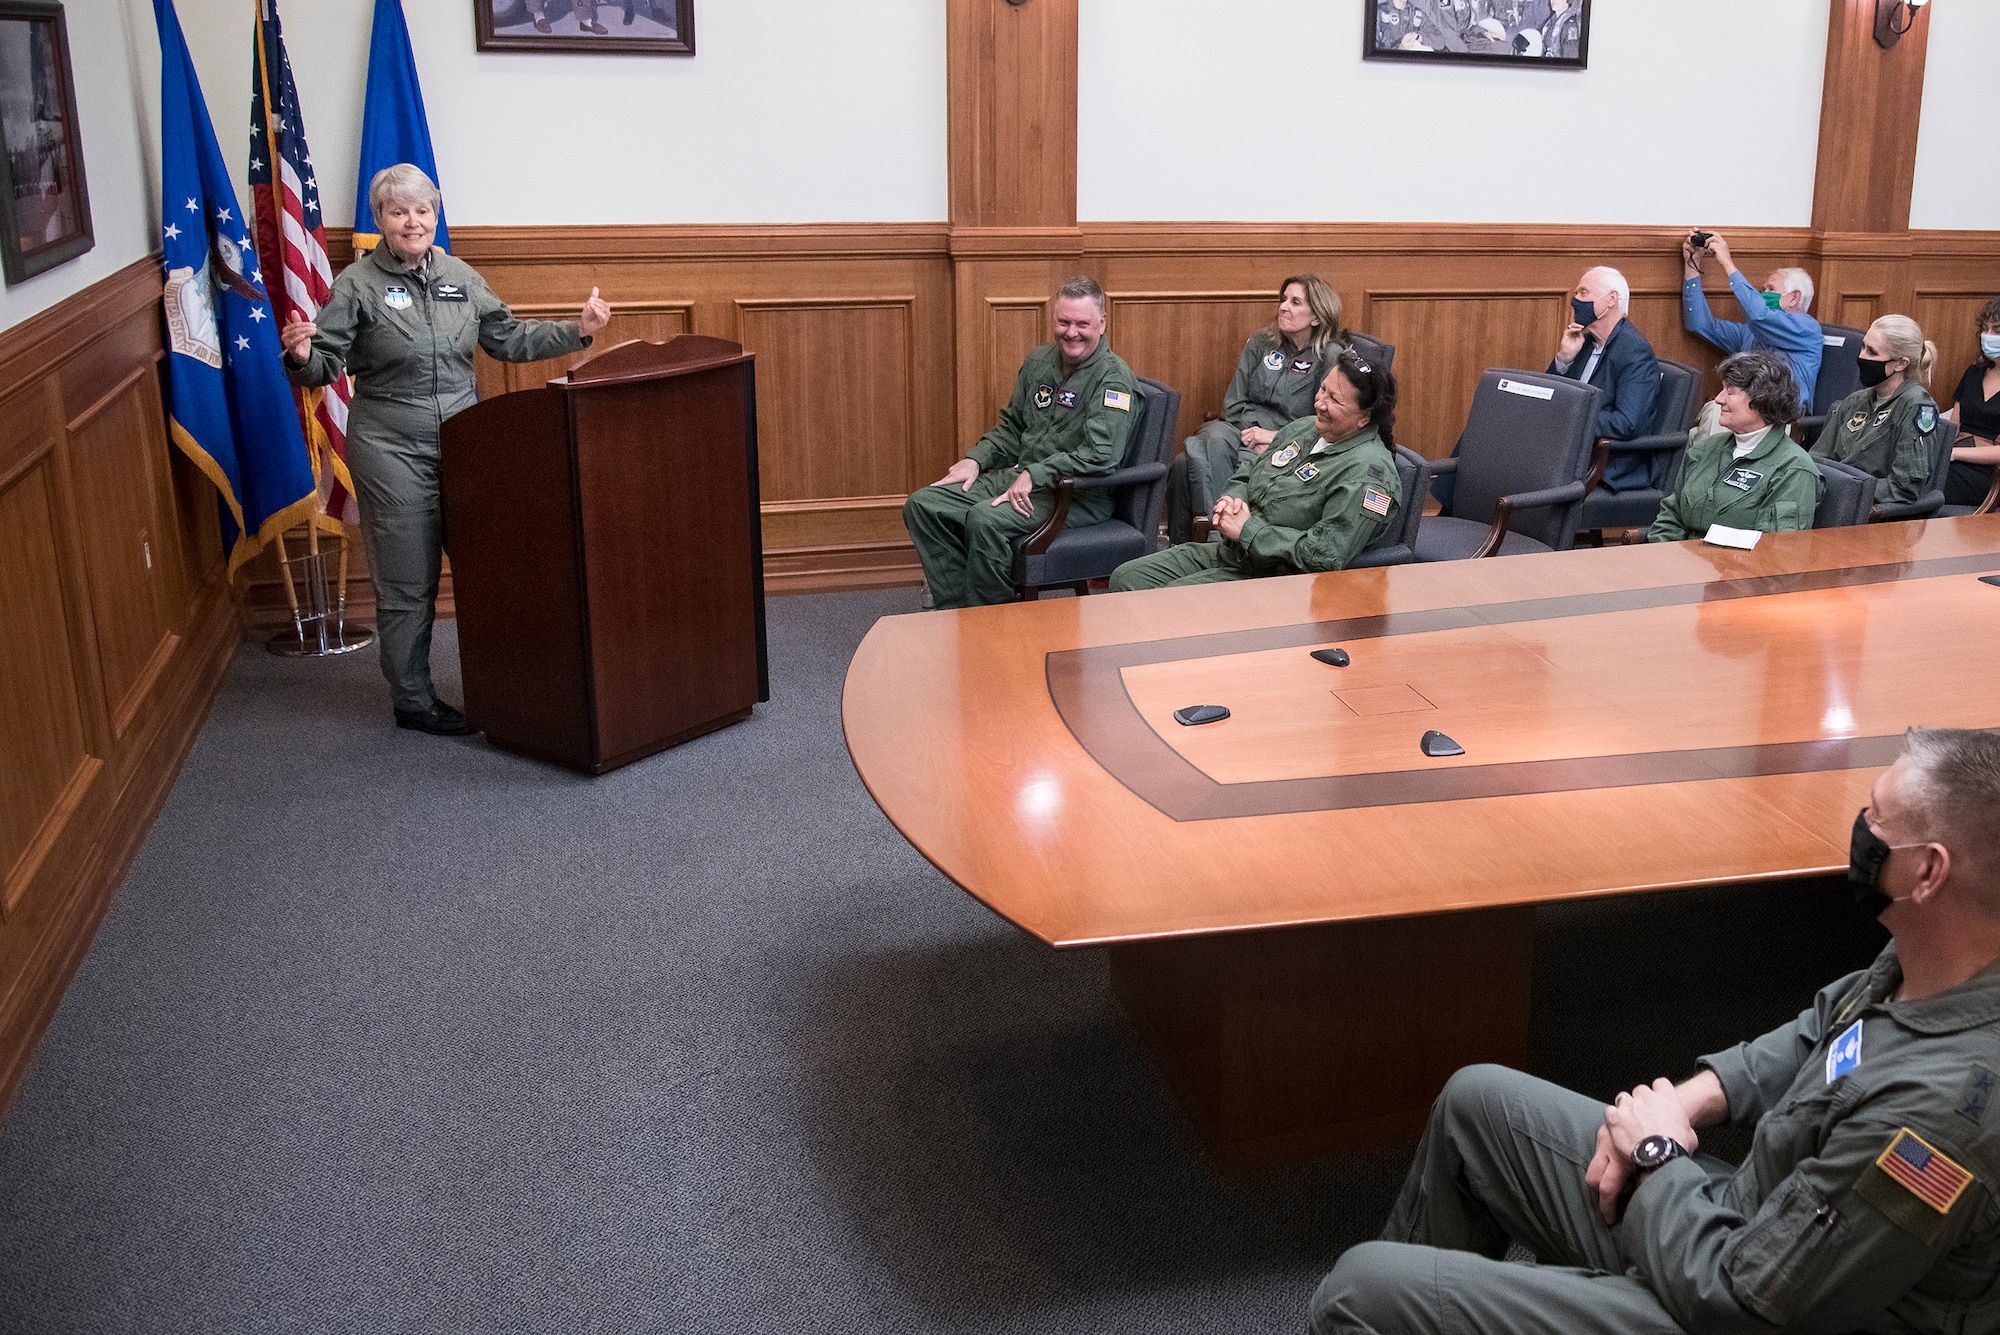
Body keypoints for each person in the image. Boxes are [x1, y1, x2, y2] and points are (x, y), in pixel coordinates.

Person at [1311, 725, 2000, 1335]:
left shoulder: (1940, 1118)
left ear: (1929, 870)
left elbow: (1744, 1300)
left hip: (1747, 1301)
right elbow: (1822, 1030)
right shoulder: (1940, 958)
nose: (1861, 826)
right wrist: (1692, 1097)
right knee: (1476, 1104)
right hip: (1746, 1226)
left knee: (1359, 1289)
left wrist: (1658, 1158)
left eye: (1877, 819)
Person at [282, 164, 610, 735]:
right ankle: (412, 699)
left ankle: (509, 685)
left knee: (491, 565)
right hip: (390, 446)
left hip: (466, 440)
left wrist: (576, 330)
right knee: (409, 579)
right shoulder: (356, 285)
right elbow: (324, 365)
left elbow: (506, 337)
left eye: (422, 210)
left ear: (435, 215)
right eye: (398, 212)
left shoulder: (461, 274)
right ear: (381, 220)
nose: (412, 222)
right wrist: (300, 355)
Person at [903, 276, 1138, 610]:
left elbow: (1101, 454)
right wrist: (977, 459)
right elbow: (1013, 427)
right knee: (924, 505)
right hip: (1022, 478)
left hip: (1075, 494)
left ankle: (995, 619)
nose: (1071, 332)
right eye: (1064, 321)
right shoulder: (1039, 362)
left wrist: (1037, 473)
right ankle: (959, 609)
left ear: (1101, 324)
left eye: (1082, 323)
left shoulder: (1113, 379)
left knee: (984, 519)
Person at [1109, 348, 1400, 591]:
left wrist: (1249, 530)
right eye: (1322, 389)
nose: (1319, 403)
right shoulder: (1305, 429)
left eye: (1334, 400)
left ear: (1365, 417)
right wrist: (1232, 500)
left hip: (1276, 580)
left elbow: (1325, 555)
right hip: (1234, 554)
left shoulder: (1368, 476)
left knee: (1166, 602)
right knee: (1126, 579)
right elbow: (1249, 470)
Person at [1167, 275, 1346, 544]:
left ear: (1317, 317)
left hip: (1293, 445)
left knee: (1185, 463)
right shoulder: (1261, 342)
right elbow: (1234, 404)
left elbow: (1327, 420)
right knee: (1213, 434)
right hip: (1240, 431)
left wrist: (1274, 437)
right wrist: (1253, 434)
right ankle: (1218, 532)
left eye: (1295, 302)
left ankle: (1210, 541)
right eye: (1283, 299)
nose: (1284, 307)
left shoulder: (1330, 356)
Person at [1648, 350, 1821, 542]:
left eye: (1730, 392)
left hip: (1734, 569)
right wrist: (1665, 560)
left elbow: (1776, 553)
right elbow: (1670, 518)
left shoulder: (1792, 469)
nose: (1719, 399)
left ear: (1762, 399)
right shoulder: (1706, 448)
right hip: (1680, 563)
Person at [1811, 314, 1944, 509]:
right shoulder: (1855, 400)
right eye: (1863, 347)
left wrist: (1847, 490)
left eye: (1872, 352)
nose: (1861, 356)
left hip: (1868, 511)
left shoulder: (1916, 407)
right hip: (1831, 500)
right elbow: (1817, 459)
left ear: (1900, 363)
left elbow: (1904, 487)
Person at [1683, 230, 1822, 413]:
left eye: (1771, 288)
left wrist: (1726, 262)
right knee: (1712, 411)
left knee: (1716, 414)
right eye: (1762, 288)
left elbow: (1759, 316)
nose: (1762, 294)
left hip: (1781, 416)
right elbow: (1699, 324)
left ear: (1793, 298)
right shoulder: (1751, 331)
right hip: (1743, 408)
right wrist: (1692, 264)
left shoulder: (1807, 328)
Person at [1550, 266, 1660, 491]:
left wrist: (1572, 418)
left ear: (1611, 299)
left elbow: (1627, 423)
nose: (1574, 301)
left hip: (1602, 461)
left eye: (1583, 293)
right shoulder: (1585, 342)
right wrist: (1564, 359)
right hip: (1568, 448)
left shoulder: (1634, 351)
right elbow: (1550, 398)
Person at [1943, 297, 2000, 508]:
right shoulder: (1973, 373)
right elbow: (1952, 428)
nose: (1988, 336)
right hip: (1955, 458)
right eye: (1985, 329)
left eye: (1997, 330)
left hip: (1989, 473)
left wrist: (1955, 454)